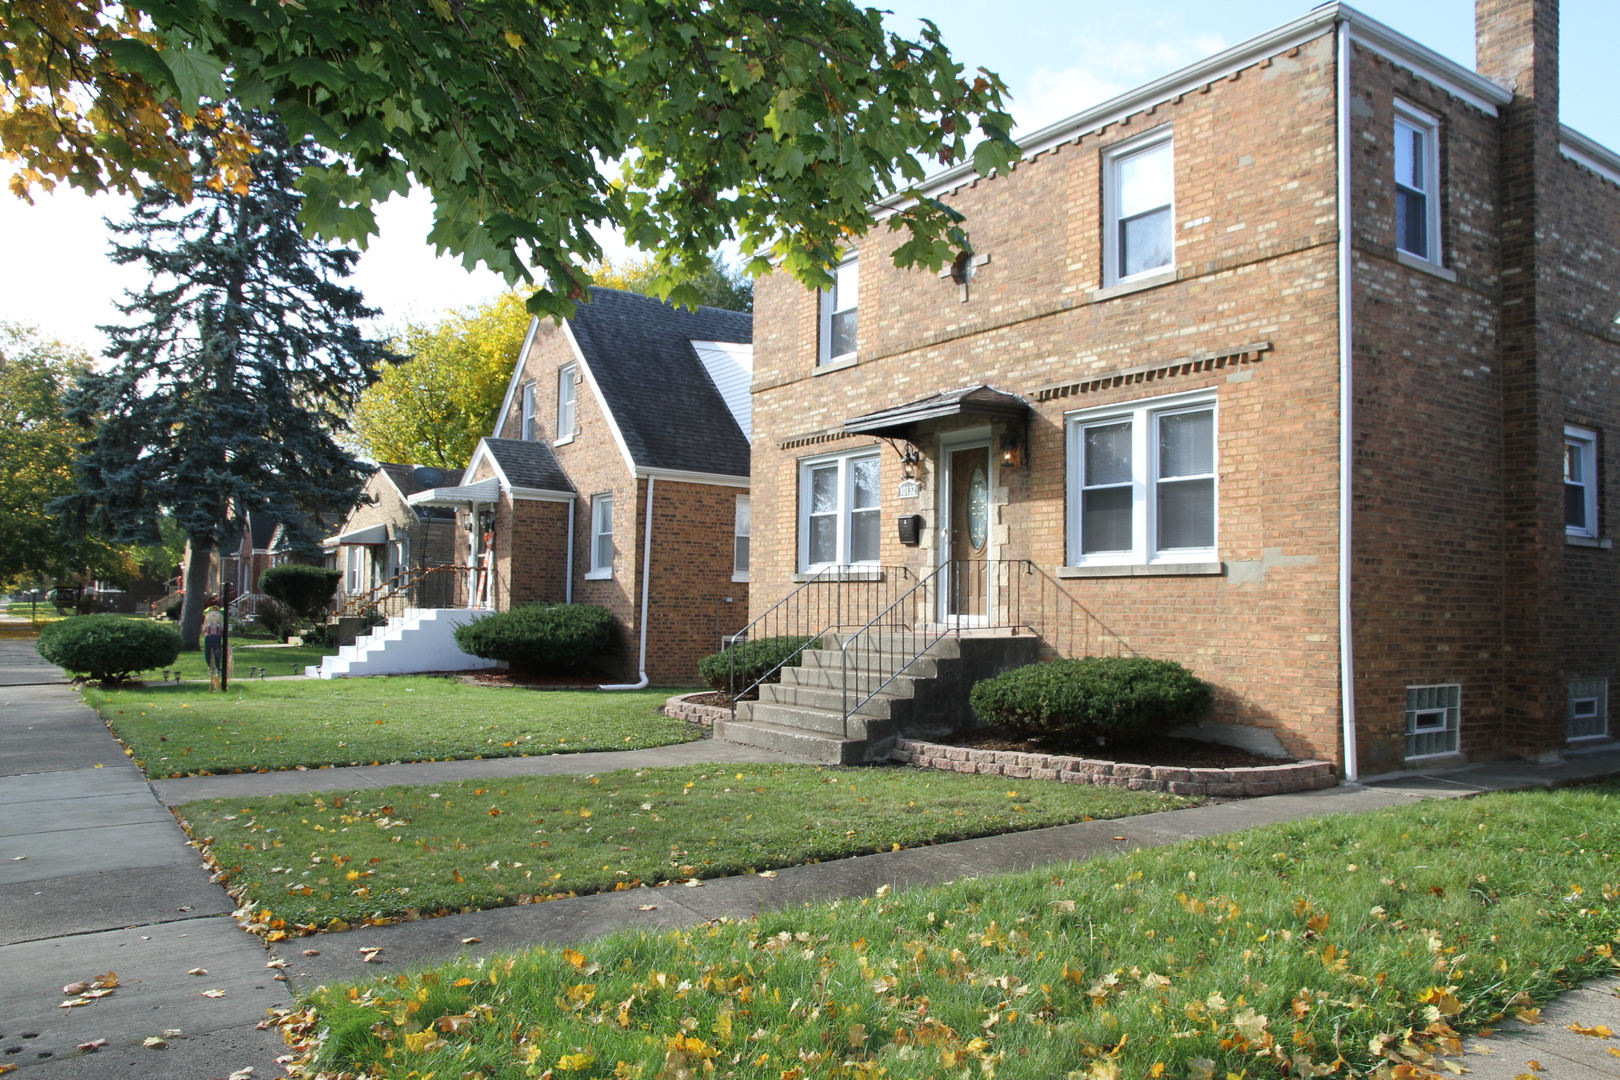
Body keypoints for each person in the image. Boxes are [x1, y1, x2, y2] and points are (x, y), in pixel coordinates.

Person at [202, 605, 226, 673]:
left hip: (216, 637)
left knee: (217, 651)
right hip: (209, 637)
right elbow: (204, 629)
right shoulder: (207, 621)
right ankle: (210, 666)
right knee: (207, 652)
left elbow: (222, 630)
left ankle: (218, 667)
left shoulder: (219, 623)